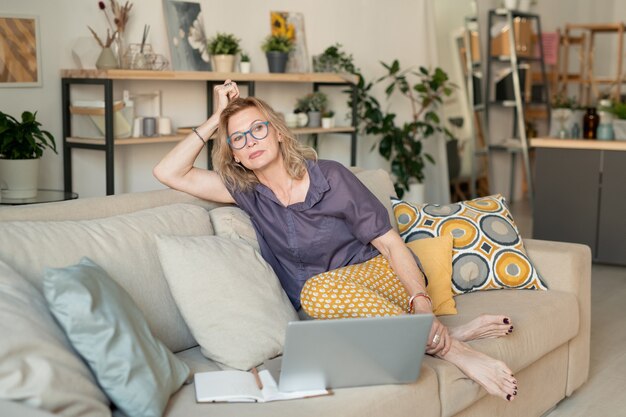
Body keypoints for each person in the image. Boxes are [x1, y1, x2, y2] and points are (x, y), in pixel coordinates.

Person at [153, 80, 518, 401]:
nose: (251, 141)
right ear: (236, 154)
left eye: (259, 129)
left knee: (317, 292)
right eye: (239, 137)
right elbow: (167, 171)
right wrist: (216, 118)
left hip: (379, 277)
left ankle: (452, 349)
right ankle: (451, 337)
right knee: (318, 296)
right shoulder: (247, 192)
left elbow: (391, 244)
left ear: (278, 132)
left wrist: (422, 306)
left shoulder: (331, 177)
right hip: (337, 309)